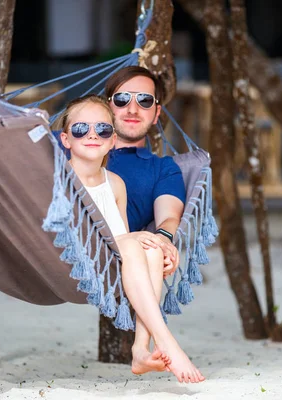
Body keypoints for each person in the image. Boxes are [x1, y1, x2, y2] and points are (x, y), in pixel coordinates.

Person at [55, 94, 204, 384]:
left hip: (112, 262)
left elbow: (120, 235)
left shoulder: (116, 183)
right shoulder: (61, 180)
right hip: (73, 258)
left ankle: (139, 349)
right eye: (80, 129)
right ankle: (167, 341)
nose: (92, 135)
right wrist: (134, 238)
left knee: (150, 249)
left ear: (113, 141)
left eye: (103, 129)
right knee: (140, 243)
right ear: (65, 139)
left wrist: (145, 238)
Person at [104, 66, 184, 279]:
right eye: (122, 99)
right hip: (60, 244)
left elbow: (168, 218)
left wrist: (163, 242)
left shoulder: (163, 169)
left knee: (153, 250)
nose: (132, 109)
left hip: (117, 255)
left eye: (144, 101)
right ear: (107, 107)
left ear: (156, 113)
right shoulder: (73, 143)